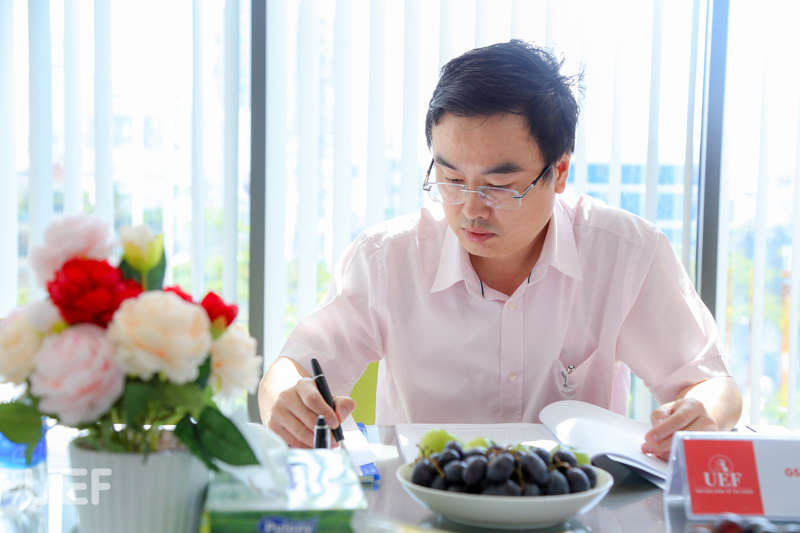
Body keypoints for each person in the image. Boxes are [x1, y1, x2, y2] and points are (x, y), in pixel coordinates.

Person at [258, 40, 742, 460]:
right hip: (424, 508)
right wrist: (285, 401)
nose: (471, 209)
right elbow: (293, 367)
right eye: (451, 179)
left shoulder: (626, 254)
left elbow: (710, 384)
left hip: (573, 508)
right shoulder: (387, 259)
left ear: (559, 172)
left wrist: (702, 412)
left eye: (499, 186)